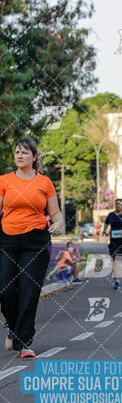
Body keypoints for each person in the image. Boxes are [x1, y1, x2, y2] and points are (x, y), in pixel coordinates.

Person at [0, 137, 64, 357]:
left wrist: (58, 223)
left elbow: (55, 213)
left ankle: (24, 341)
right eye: (17, 152)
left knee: (29, 291)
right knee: (5, 289)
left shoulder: (44, 182)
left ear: (34, 157)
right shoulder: (4, 180)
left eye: (24, 152)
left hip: (36, 241)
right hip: (7, 240)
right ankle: (14, 328)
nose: (19, 155)